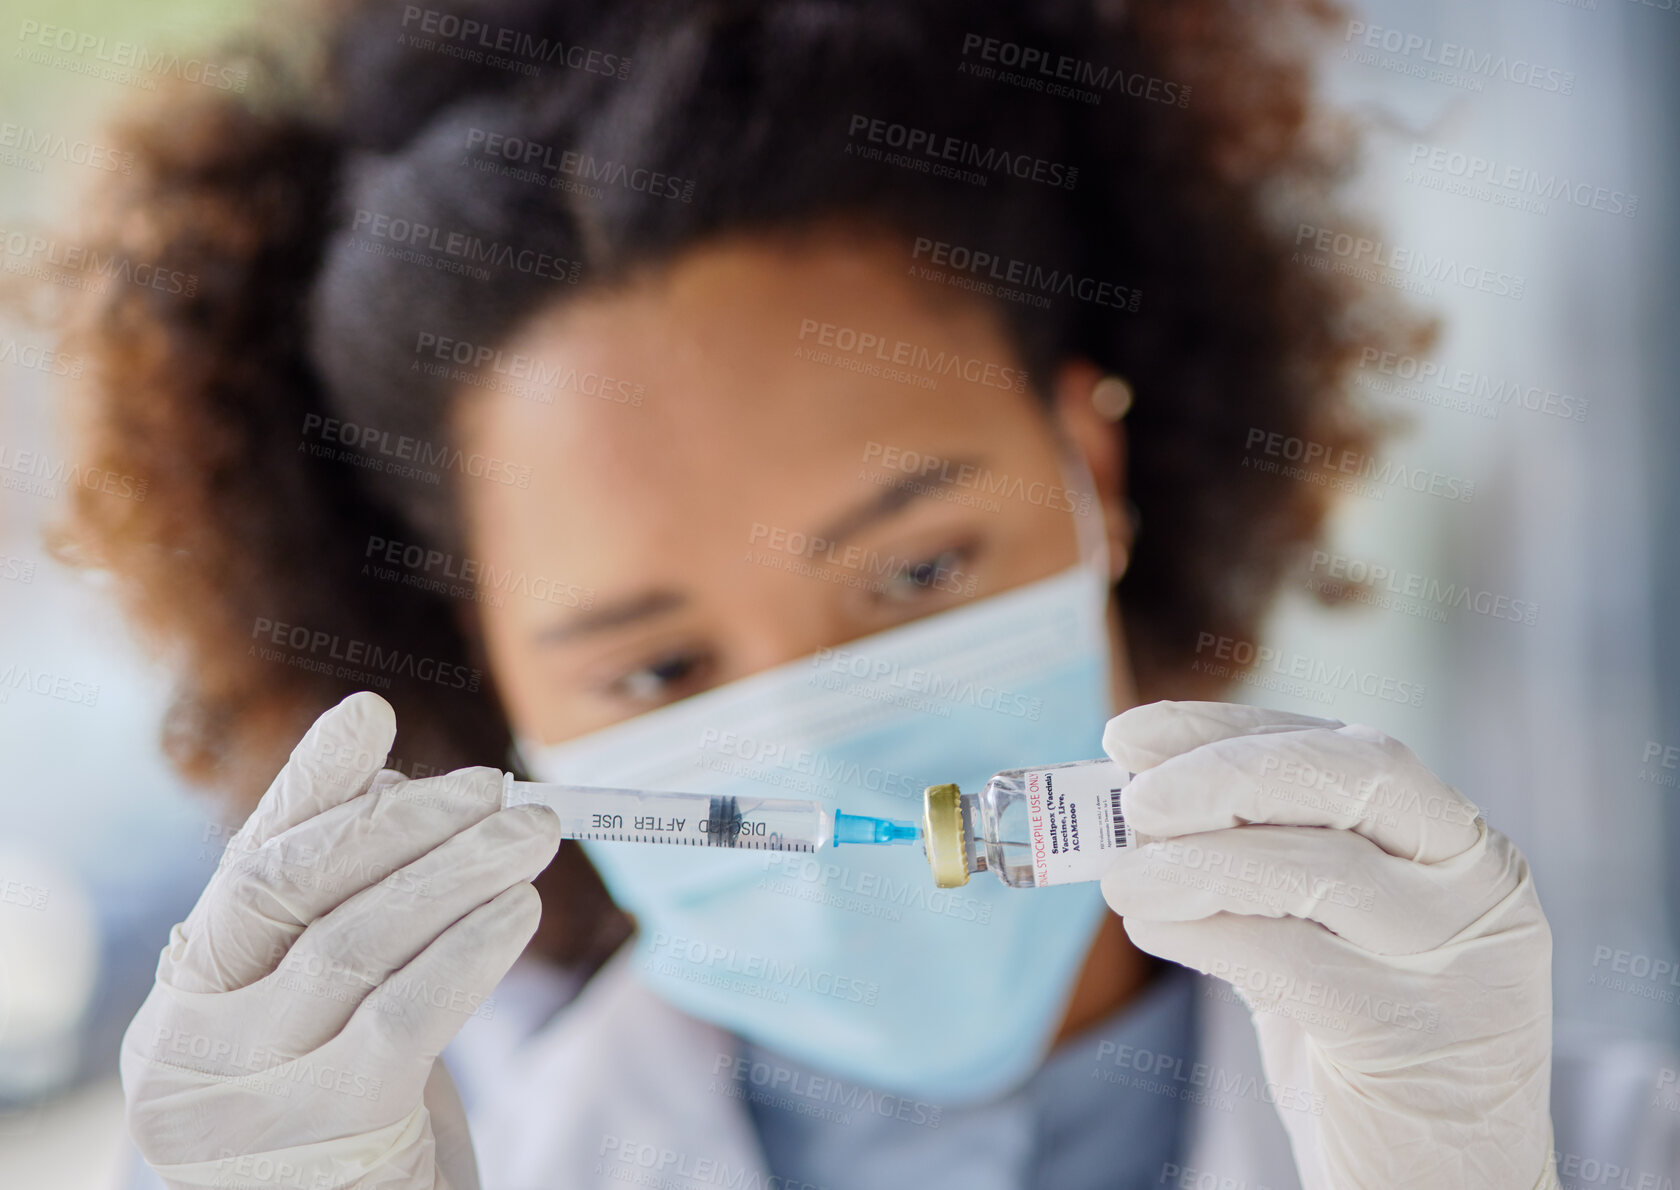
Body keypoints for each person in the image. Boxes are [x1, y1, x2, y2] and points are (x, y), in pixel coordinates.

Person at [55, 0, 1676, 1186]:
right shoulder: (344, 1154)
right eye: (656, 667)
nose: (818, 756)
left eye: (915, 567)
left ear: (1092, 472)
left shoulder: (1574, 1144)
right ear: (486, 686)